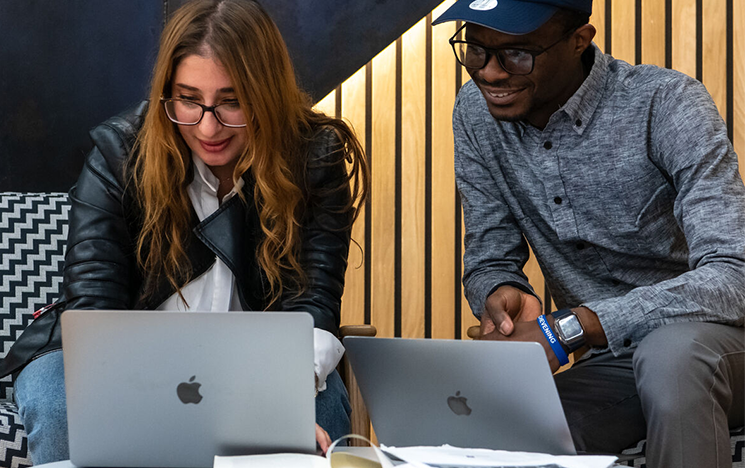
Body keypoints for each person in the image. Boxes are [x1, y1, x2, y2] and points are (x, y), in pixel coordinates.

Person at [0, 0, 368, 463]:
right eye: (188, 99)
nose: (208, 126)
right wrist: (148, 400)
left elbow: (314, 304)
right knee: (59, 406)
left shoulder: (315, 155)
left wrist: (267, 400)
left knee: (323, 412)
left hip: (260, 363)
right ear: (166, 92)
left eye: (232, 101)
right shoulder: (119, 154)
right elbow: (95, 309)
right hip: (121, 360)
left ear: (267, 93)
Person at [433, 0, 745, 466]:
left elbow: (734, 275)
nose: (491, 74)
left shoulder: (666, 103)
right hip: (612, 361)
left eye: (517, 54)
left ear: (580, 40)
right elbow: (489, 256)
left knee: (670, 357)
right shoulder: (475, 114)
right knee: (501, 431)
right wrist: (501, 293)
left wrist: (574, 325)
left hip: (720, 344)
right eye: (475, 49)